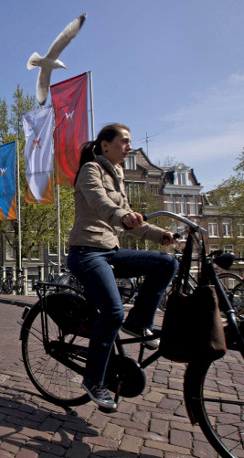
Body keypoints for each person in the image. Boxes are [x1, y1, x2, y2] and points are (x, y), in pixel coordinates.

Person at [67, 123, 178, 412]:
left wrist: (161, 235)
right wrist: (122, 216)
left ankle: (139, 321)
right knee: (112, 312)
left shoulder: (118, 175)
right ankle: (94, 381)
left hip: (110, 251)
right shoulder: (91, 170)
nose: (129, 147)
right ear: (105, 144)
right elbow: (100, 203)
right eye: (124, 142)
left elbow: (134, 222)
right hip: (87, 252)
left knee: (166, 263)